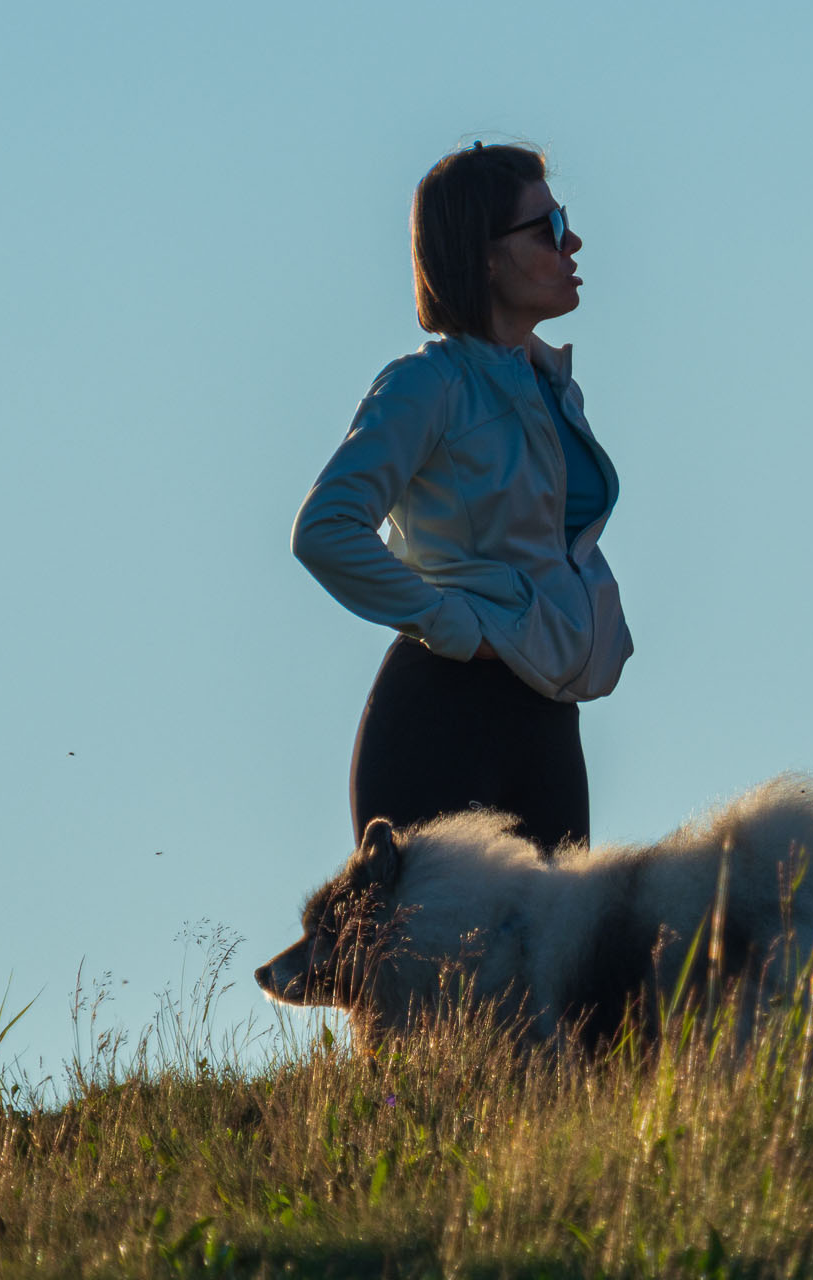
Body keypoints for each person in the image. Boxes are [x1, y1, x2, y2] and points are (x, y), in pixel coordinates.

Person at [291, 141, 631, 853]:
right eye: (547, 227)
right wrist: (454, 626)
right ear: (483, 255)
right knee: (420, 962)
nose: (571, 242)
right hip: (443, 712)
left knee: (557, 962)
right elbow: (325, 528)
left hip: (545, 713)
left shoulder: (550, 385)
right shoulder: (429, 383)